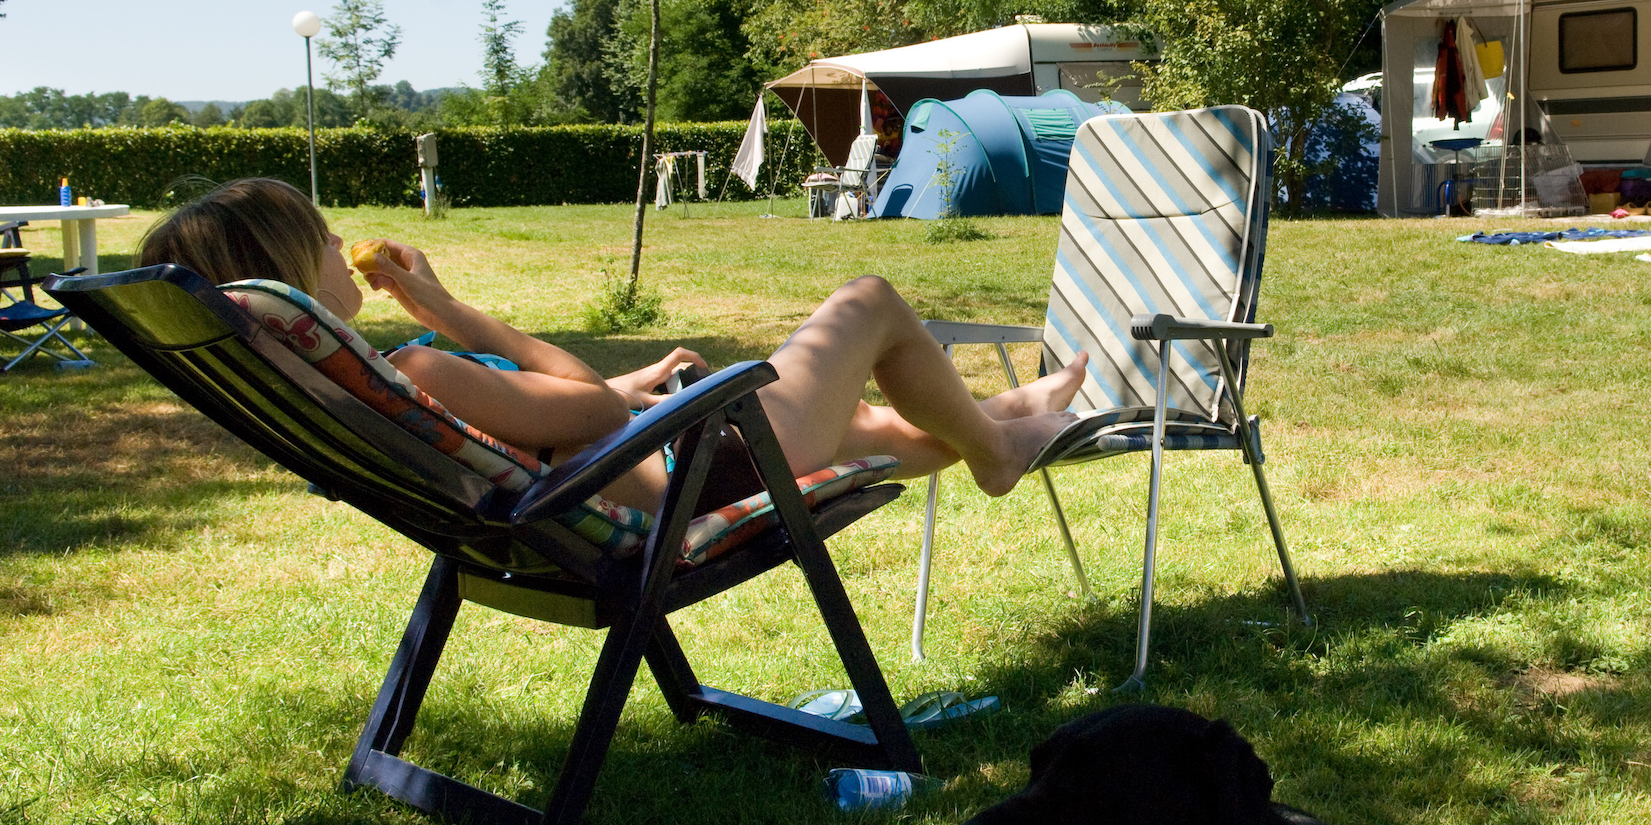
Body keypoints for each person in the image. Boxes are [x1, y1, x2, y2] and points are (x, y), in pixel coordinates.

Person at [137, 179, 1084, 515]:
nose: (341, 237)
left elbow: (565, 426)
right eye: (320, 232)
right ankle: (998, 450)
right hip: (700, 481)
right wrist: (451, 312)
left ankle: (1006, 418)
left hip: (647, 465)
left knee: (871, 422)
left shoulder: (352, 391)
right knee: (868, 301)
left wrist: (628, 395)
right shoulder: (421, 368)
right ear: (296, 272)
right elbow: (583, 404)